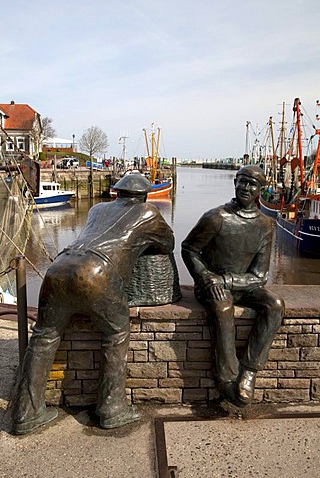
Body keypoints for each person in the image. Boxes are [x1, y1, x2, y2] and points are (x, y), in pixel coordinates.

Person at [12, 174, 174, 434]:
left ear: (117, 192)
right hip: (96, 272)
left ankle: (26, 414)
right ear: (143, 195)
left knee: (42, 337)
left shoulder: (97, 209)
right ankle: (112, 408)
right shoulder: (148, 211)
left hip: (58, 268)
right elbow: (168, 244)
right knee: (116, 333)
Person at [181, 165, 284, 407]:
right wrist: (206, 277)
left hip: (241, 284)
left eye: (253, 184)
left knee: (275, 305)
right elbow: (189, 249)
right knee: (223, 307)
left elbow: (259, 275)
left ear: (261, 190)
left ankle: (249, 371)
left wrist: (226, 280)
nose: (246, 188)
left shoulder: (266, 225)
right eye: (243, 182)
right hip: (211, 285)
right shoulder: (216, 217)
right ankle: (226, 378)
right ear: (235, 182)